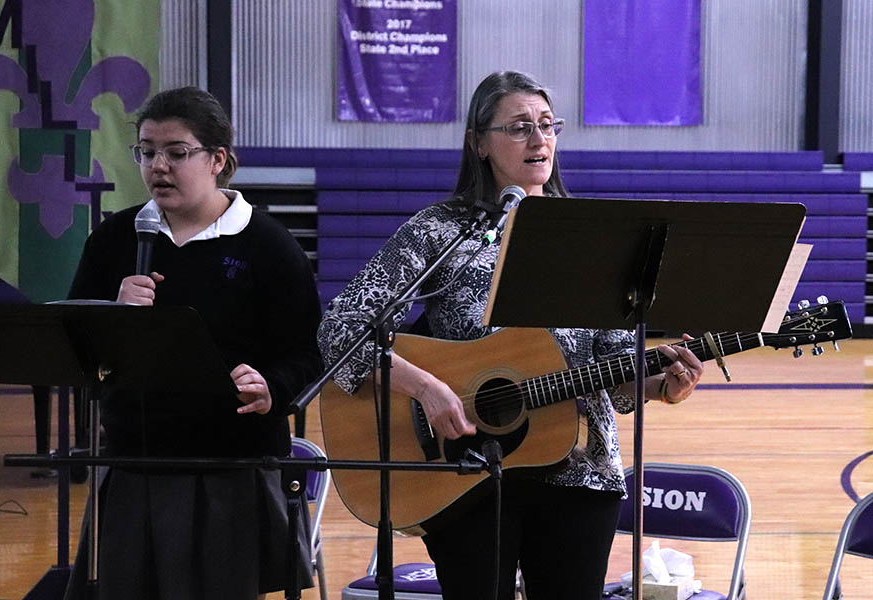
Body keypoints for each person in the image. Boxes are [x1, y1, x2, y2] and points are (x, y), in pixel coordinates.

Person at [317, 71, 704, 599]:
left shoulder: (590, 237)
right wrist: (427, 389)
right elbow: (343, 327)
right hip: (466, 470)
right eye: (520, 127)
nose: (539, 139)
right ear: (479, 142)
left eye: (547, 126)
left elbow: (615, 375)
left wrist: (662, 387)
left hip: (581, 472)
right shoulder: (442, 230)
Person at [63, 87, 323, 600]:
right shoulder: (115, 239)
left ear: (217, 160)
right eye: (147, 150)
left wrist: (273, 386)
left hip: (230, 470)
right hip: (135, 465)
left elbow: (309, 353)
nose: (158, 166)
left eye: (176, 152)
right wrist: (111, 317)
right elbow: (76, 345)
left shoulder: (268, 245)